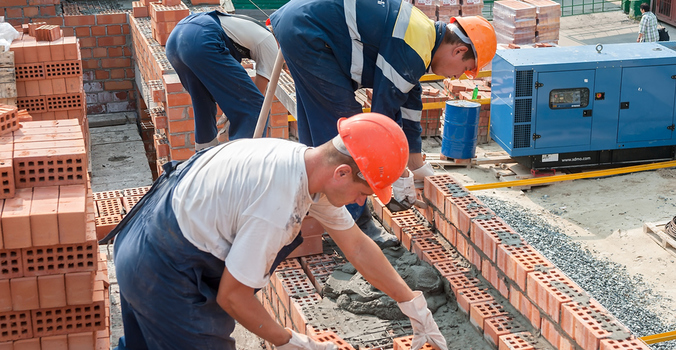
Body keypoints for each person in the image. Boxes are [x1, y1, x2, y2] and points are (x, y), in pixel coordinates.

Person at [106, 113, 448, 350]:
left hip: (145, 234)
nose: (361, 201)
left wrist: (411, 302)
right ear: (343, 173)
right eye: (365, 192)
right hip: (162, 269)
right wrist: (289, 340)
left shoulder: (305, 165)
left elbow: (357, 245)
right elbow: (233, 296)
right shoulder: (278, 203)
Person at [269, 0, 496, 242]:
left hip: (299, 24)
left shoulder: (423, 37)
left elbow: (409, 106)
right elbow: (379, 120)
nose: (457, 76)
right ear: (459, 50)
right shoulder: (414, 48)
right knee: (346, 127)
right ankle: (357, 226)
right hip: (307, 32)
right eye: (464, 68)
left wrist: (417, 166)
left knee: (318, 122)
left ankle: (312, 203)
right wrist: (394, 176)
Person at [166, 11, 279, 151]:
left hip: (176, 39)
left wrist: (232, 110)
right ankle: (241, 164)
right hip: (202, 38)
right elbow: (256, 98)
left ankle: (204, 156)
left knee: (203, 102)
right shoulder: (272, 44)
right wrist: (237, 115)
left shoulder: (251, 26)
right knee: (254, 108)